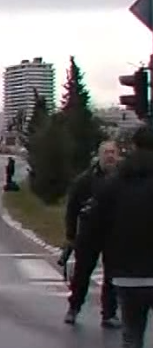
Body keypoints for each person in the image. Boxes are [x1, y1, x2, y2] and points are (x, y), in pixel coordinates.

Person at [77, 126, 153, 348]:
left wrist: (82, 253)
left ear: (131, 147)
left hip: (126, 273)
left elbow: (94, 224)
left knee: (131, 338)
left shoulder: (115, 183)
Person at [64, 141, 122, 328]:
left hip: (115, 233)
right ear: (99, 155)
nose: (110, 156)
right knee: (82, 273)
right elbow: (72, 207)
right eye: (106, 152)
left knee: (112, 275)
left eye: (113, 152)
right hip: (89, 232)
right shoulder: (86, 179)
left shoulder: (123, 178)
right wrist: (71, 235)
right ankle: (73, 308)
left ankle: (109, 314)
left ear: (118, 155)